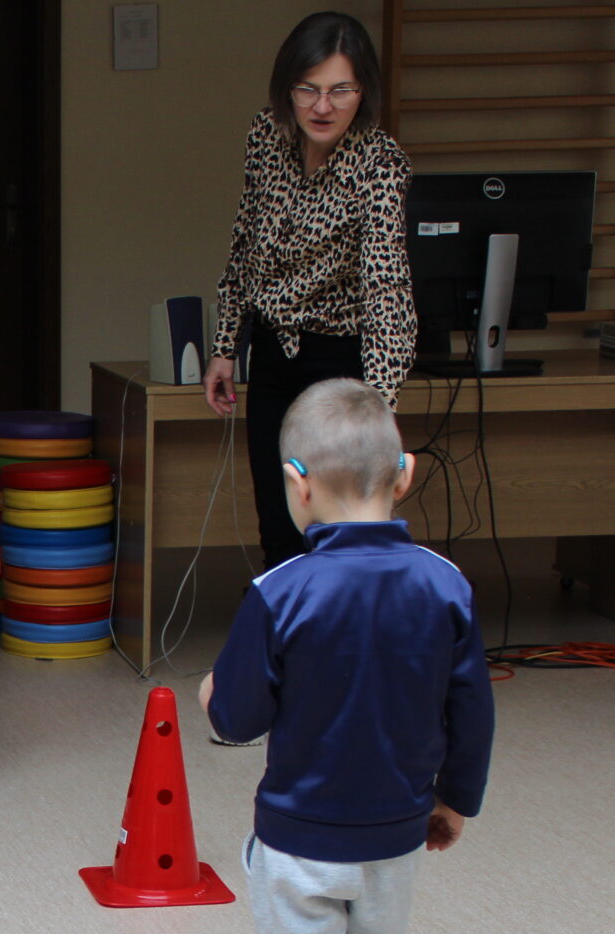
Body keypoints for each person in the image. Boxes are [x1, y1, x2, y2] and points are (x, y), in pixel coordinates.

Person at [200, 378, 494, 934]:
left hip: (299, 841)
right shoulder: (445, 583)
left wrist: (212, 695)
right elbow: (472, 709)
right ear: (405, 473)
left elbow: (236, 718)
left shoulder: (281, 590)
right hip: (397, 832)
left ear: (297, 485)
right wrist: (455, 800)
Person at [200, 10, 415, 571]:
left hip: (339, 362)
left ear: (363, 91)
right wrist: (225, 346)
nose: (323, 106)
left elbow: (387, 290)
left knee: (336, 522)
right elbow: (245, 243)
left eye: (341, 90)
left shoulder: (380, 165)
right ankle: (286, 620)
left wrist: (378, 408)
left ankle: (333, 619)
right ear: (287, 89)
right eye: (308, 89)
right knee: (278, 517)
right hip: (273, 351)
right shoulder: (266, 135)